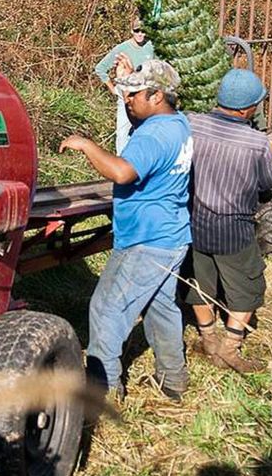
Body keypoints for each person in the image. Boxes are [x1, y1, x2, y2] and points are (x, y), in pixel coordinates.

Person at [60, 59, 192, 401]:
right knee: (162, 308)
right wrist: (125, 81)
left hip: (146, 240)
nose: (127, 100)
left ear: (157, 95)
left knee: (106, 309)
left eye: (134, 94)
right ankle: (174, 380)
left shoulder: (154, 134)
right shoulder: (178, 125)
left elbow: (122, 172)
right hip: (172, 234)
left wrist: (87, 145)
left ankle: (103, 390)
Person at [184, 69, 272, 373]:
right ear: (245, 109)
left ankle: (207, 338)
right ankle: (230, 349)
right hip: (234, 230)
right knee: (246, 289)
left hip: (195, 223)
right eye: (256, 105)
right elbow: (267, 184)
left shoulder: (192, 124)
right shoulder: (256, 143)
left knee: (199, 283)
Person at [94, 16, 155, 155]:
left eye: (143, 31)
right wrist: (113, 88)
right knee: (122, 131)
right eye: (136, 31)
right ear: (131, 31)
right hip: (125, 95)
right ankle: (121, 162)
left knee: (145, 131)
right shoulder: (122, 48)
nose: (140, 34)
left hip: (145, 95)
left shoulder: (151, 47)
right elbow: (100, 69)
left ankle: (140, 162)